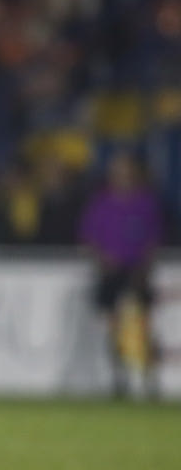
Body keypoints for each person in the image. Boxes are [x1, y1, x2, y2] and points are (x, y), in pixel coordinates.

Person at [78, 148, 165, 398]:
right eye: (118, 171)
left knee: (142, 326)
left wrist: (144, 266)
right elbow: (88, 239)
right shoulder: (101, 203)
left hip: (137, 272)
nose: (122, 176)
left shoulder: (146, 203)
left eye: (126, 171)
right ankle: (119, 378)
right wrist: (103, 259)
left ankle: (149, 378)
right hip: (111, 272)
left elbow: (154, 240)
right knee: (113, 327)